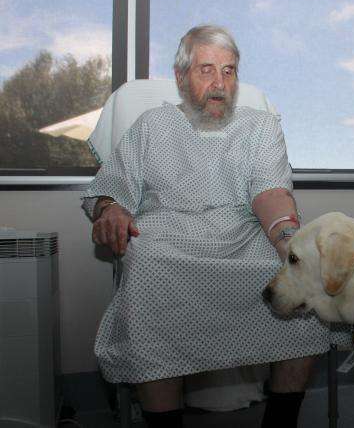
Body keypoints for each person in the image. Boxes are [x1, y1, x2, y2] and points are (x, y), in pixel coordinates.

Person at [82, 25, 329, 428]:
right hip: (166, 236)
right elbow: (113, 188)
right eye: (207, 70)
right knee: (146, 265)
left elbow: (269, 192)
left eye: (229, 72)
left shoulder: (259, 126)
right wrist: (111, 209)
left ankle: (281, 422)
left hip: (245, 233)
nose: (220, 84)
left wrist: (288, 240)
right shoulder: (151, 126)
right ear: (181, 78)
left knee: (295, 276)